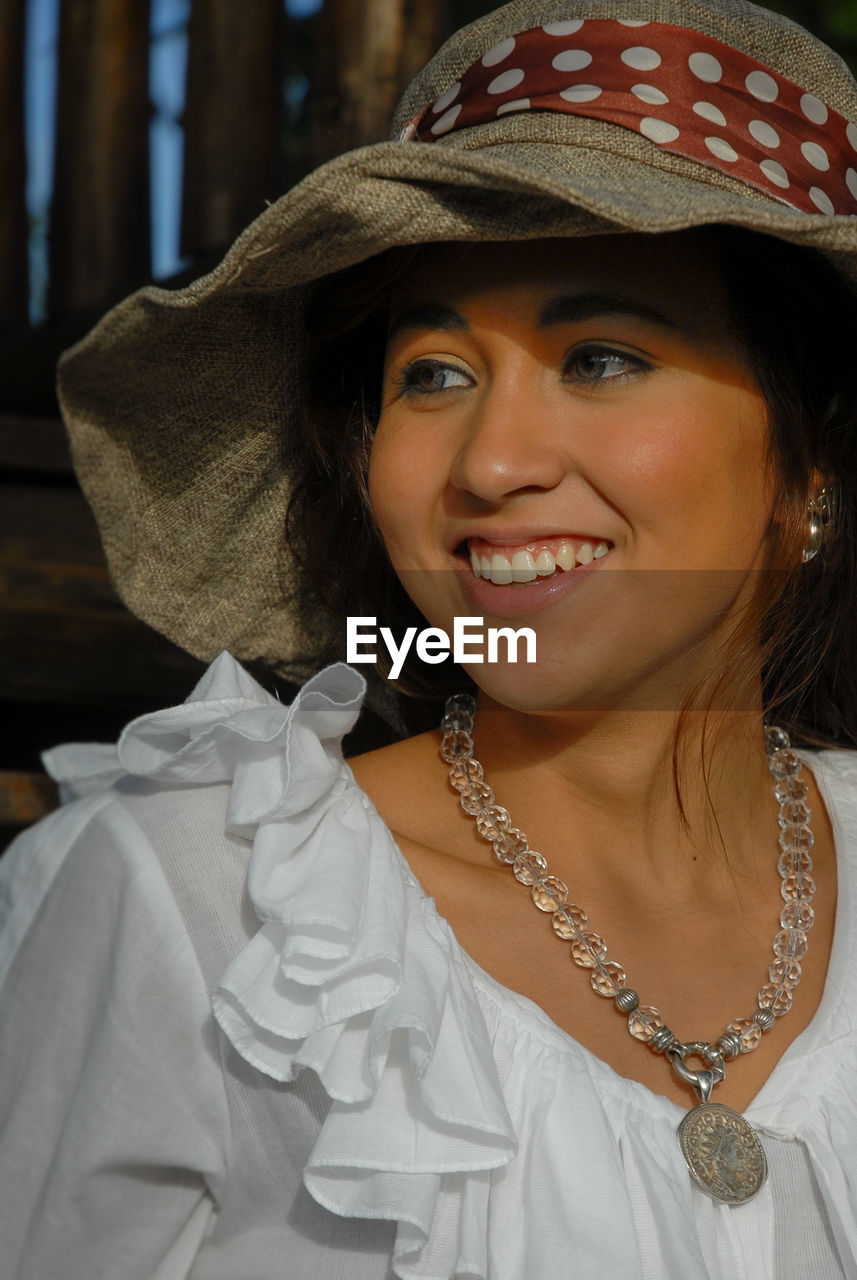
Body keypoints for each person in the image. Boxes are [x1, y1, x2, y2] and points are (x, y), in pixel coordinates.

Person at [4, 0, 857, 1276]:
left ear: (810, 468)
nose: (491, 464)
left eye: (603, 356)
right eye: (433, 375)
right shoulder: (207, 911)